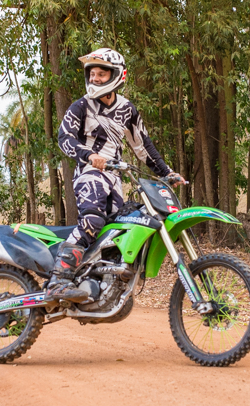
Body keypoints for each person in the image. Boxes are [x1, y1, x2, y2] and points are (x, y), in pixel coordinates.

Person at [48, 48, 185, 302]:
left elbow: (143, 147)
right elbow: (64, 138)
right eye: (93, 74)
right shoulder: (81, 106)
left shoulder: (127, 109)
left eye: (102, 73)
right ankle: (58, 280)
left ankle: (99, 282)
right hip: (89, 173)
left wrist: (167, 173)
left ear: (117, 75)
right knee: (92, 220)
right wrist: (89, 155)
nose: (96, 78)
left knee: (116, 231)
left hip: (115, 179)